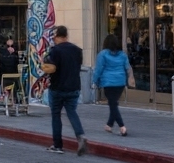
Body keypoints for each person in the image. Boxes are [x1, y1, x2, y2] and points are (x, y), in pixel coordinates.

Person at [43, 25, 87, 155]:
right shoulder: (77, 50)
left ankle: (58, 145)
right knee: (72, 112)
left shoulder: (55, 50)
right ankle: (80, 136)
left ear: (56, 37)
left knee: (56, 115)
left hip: (58, 87)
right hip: (74, 87)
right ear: (66, 36)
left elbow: (51, 68)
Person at [92, 33, 131, 136]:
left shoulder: (102, 54)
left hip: (108, 82)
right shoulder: (123, 54)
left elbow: (98, 69)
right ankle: (109, 125)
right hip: (120, 82)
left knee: (113, 104)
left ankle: (122, 126)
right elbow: (127, 68)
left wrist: (94, 81)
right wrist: (126, 80)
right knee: (113, 103)